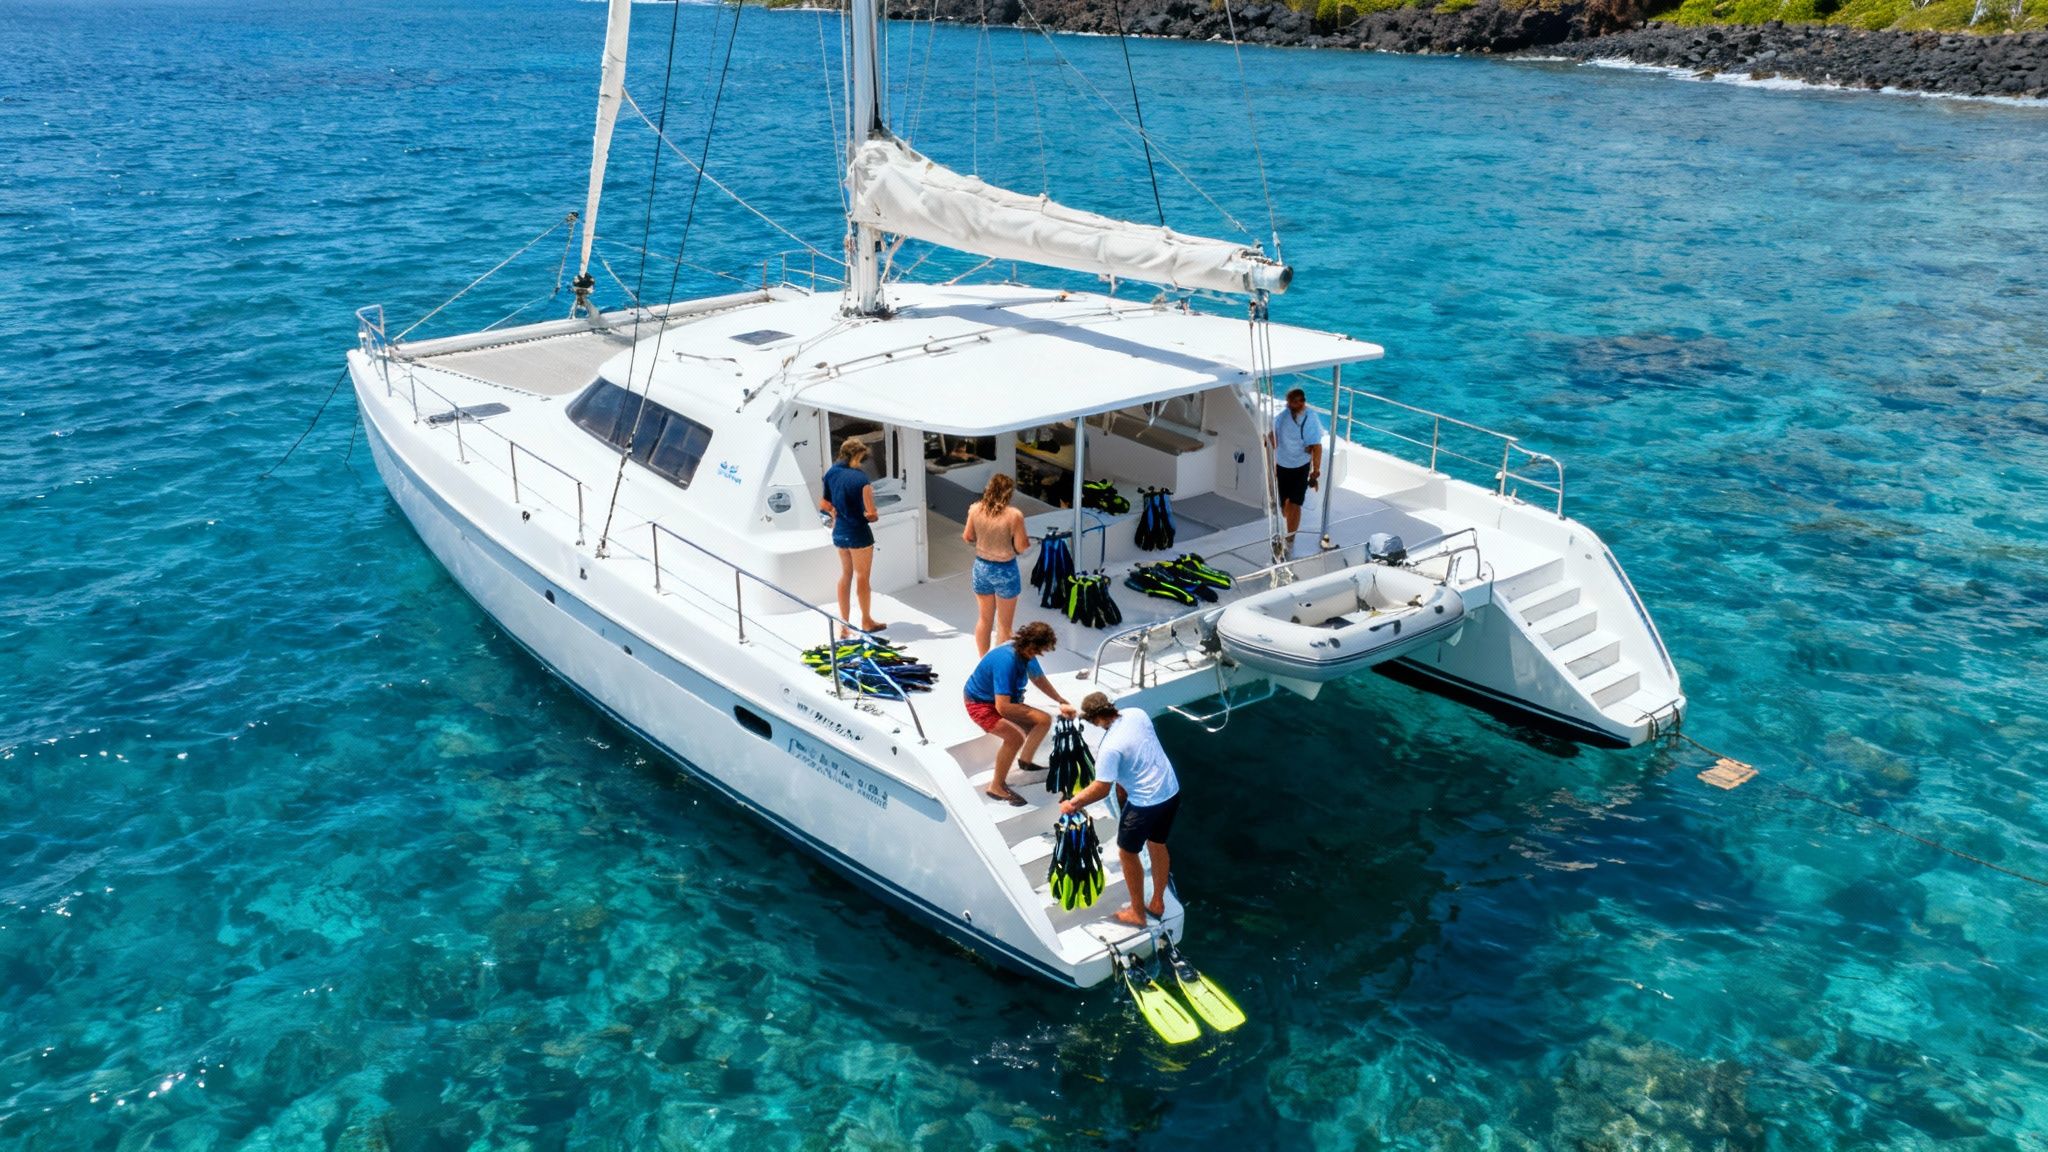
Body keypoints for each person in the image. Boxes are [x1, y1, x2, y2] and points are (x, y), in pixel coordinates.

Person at [1061, 692, 1181, 928]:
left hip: (1144, 804)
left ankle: (1138, 913)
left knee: (1127, 853)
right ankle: (1157, 901)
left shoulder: (1109, 748)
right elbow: (1139, 750)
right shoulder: (1137, 714)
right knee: (1157, 843)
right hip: (1170, 790)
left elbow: (1101, 789)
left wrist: (1073, 803)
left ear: (1096, 720)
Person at [962, 621, 1075, 806]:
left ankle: (1025, 762)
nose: (1037, 655)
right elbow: (1002, 707)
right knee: (1016, 737)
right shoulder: (1006, 661)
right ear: (1030, 644)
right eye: (1037, 651)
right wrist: (1032, 716)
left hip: (1003, 700)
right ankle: (996, 786)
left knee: (1042, 722)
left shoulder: (1025, 651)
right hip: (980, 704)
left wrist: (1059, 699)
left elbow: (1038, 678)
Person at [819, 437, 884, 638]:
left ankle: (843, 625)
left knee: (845, 575)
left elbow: (824, 503)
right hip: (858, 533)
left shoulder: (831, 473)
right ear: (856, 455)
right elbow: (871, 513)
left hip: (839, 533)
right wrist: (873, 515)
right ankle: (866, 621)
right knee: (862, 577)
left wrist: (834, 512)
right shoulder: (861, 480)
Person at [961, 473, 1030, 656]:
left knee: (984, 620)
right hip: (1005, 570)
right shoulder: (1014, 515)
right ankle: (999, 666)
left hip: (981, 567)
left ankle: (984, 661)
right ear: (1008, 493)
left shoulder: (975, 509)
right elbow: (1021, 547)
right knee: (1005, 626)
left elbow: (968, 537)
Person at [1267, 386, 1325, 554]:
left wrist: (1316, 471)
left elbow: (1316, 446)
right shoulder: (1282, 418)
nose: (1295, 404)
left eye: (1299, 401)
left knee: (1295, 503)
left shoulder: (1310, 418)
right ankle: (1288, 525)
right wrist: (1268, 440)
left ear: (1303, 402)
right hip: (1283, 465)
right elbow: (1274, 437)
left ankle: (1290, 539)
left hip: (1301, 466)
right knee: (1284, 507)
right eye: (1292, 401)